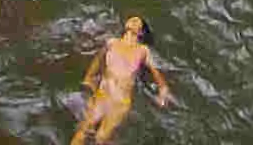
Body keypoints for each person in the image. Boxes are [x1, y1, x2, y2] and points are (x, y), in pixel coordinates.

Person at [72, 13, 177, 142]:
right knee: (83, 130)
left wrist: (163, 90)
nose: (134, 20)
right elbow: (97, 62)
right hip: (102, 95)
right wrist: (88, 79)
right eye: (132, 19)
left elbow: (155, 72)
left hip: (120, 102)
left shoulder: (142, 50)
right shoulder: (112, 42)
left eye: (138, 21)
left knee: (100, 138)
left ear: (141, 33)